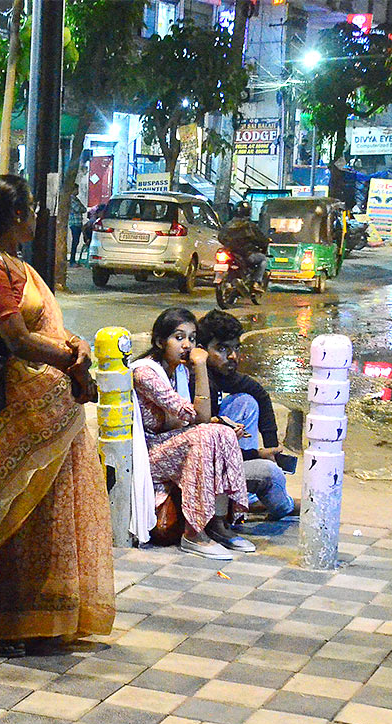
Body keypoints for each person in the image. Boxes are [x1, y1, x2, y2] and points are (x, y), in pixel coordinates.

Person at [0, 175, 114, 657]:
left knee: (43, 521)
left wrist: (77, 347)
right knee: (6, 515)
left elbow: (46, 330)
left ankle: (42, 617)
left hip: (49, 416)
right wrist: (73, 361)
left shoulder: (17, 263)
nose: (38, 216)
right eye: (31, 208)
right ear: (17, 215)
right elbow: (18, 340)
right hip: (8, 418)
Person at [131, 308, 251, 561]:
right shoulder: (145, 373)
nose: (187, 345)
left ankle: (217, 524)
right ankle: (194, 533)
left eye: (193, 338)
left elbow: (203, 419)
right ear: (159, 341)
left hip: (168, 446)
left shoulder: (180, 371)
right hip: (146, 454)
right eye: (178, 337)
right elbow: (192, 415)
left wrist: (220, 423)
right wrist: (200, 364)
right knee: (206, 435)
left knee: (222, 433)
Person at [197, 310, 298, 521]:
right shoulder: (195, 379)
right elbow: (201, 441)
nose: (233, 356)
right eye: (222, 349)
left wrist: (271, 447)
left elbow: (259, 393)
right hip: (201, 463)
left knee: (245, 401)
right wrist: (258, 456)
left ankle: (247, 498)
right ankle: (255, 503)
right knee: (270, 474)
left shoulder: (222, 374)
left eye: (236, 348)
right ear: (201, 351)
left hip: (219, 455)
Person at [218, 201, 269, 292]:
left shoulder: (228, 224)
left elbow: (220, 237)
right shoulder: (250, 225)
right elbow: (261, 239)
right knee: (263, 260)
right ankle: (256, 282)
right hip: (247, 254)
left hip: (231, 253)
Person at [68, 194, 87, 266]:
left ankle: (73, 260)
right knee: (75, 242)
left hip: (78, 223)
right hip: (74, 223)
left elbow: (84, 209)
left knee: (76, 242)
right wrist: (81, 208)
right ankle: (72, 261)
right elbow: (78, 208)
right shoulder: (72, 199)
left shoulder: (76, 199)